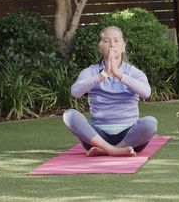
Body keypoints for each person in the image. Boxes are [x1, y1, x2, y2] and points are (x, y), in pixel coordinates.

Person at [63, 26, 157, 156]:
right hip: (97, 136)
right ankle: (112, 150)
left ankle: (109, 149)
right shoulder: (91, 72)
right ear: (100, 47)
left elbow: (146, 93)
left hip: (129, 135)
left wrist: (118, 74)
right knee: (69, 115)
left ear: (124, 46)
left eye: (116, 40)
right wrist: (103, 74)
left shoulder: (134, 72)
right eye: (107, 41)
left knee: (150, 123)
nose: (112, 44)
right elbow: (75, 92)